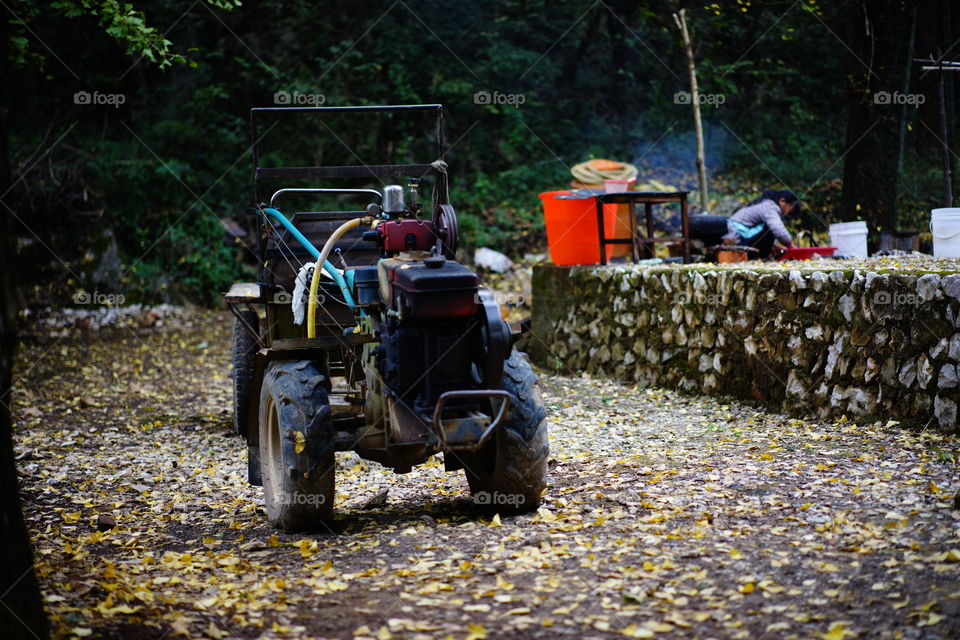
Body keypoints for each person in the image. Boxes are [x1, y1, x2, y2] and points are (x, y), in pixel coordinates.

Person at [723, 189, 801, 258]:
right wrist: (790, 245)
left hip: (740, 239)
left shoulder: (764, 204)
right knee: (770, 230)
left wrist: (775, 247)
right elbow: (777, 229)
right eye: (788, 210)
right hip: (735, 242)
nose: (787, 213)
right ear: (782, 201)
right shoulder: (770, 206)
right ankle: (760, 257)